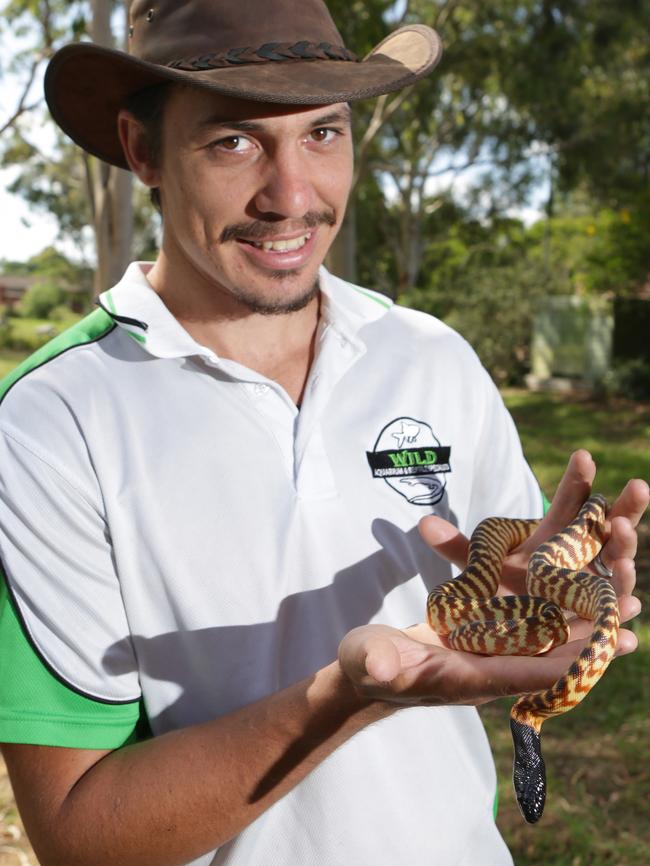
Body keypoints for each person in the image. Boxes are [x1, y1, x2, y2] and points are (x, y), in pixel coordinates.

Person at [0, 2, 646, 865]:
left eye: (323, 134)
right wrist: (349, 696)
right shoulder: (51, 421)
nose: (293, 197)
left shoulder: (430, 357)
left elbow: (507, 593)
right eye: (234, 141)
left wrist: (537, 601)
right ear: (143, 150)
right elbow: (81, 837)